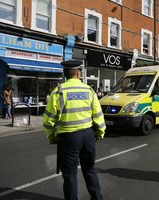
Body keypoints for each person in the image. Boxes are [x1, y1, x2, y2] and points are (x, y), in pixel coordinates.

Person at [43, 60, 106, 200]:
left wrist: (51, 137)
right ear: (78, 73)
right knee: (90, 170)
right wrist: (100, 133)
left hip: (68, 138)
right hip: (88, 136)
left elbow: (48, 121)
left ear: (65, 74)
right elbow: (98, 115)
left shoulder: (58, 92)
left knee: (70, 175)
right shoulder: (89, 90)